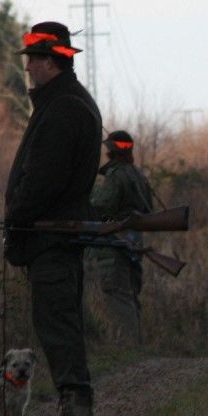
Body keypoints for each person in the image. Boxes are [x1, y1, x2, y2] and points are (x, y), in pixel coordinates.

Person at [4, 21, 102, 416]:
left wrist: (15, 217)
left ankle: (77, 415)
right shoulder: (65, 103)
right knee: (59, 322)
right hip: (54, 236)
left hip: (53, 238)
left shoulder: (63, 109)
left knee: (58, 325)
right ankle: (75, 412)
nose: (28, 68)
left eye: (33, 60)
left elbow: (42, 182)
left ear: (50, 61)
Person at [89, 130, 154, 346]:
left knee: (118, 295)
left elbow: (101, 206)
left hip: (115, 244)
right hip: (134, 243)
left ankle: (129, 347)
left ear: (111, 150)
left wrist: (88, 198)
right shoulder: (138, 175)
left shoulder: (116, 176)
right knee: (131, 295)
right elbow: (148, 209)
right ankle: (136, 346)